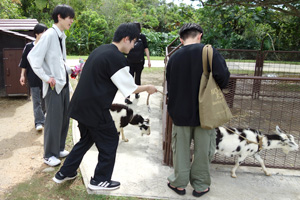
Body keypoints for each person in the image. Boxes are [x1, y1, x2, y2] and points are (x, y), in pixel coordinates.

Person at [52, 23, 157, 191]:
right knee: (109, 140)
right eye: (134, 42)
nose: (134, 46)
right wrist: (147, 88)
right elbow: (129, 88)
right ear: (126, 39)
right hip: (95, 109)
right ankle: (100, 180)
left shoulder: (101, 50)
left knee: (86, 139)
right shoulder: (116, 58)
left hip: (80, 106)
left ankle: (65, 172)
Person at [166, 23, 230, 197]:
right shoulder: (209, 52)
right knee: (203, 151)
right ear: (200, 35)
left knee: (180, 150)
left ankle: (178, 183)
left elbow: (170, 85)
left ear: (181, 38)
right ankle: (200, 186)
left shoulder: (174, 57)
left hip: (180, 112)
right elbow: (223, 79)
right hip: (205, 113)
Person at [27, 4, 75, 167]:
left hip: (63, 83)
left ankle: (59, 148)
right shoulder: (49, 35)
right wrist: (46, 78)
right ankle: (49, 154)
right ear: (59, 17)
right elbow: (33, 58)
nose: (72, 21)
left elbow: (58, 61)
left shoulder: (61, 36)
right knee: (53, 120)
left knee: (63, 118)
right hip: (54, 85)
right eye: (69, 17)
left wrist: (70, 69)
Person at [19, 23, 47, 131]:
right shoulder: (29, 47)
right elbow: (24, 62)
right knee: (36, 101)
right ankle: (38, 122)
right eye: (43, 32)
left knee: (44, 100)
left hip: (45, 78)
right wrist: (22, 75)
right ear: (36, 34)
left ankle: (42, 117)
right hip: (33, 77)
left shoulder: (46, 46)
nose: (45, 34)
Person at [125, 22, 151, 104]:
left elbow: (145, 48)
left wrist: (149, 60)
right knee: (136, 78)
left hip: (134, 61)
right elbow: (146, 49)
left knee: (131, 78)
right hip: (134, 61)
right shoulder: (139, 36)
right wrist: (149, 60)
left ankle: (130, 95)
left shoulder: (133, 36)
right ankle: (133, 94)